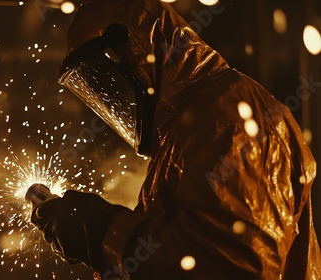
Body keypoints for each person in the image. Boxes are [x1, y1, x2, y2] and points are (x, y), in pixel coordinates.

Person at [31, 0, 321, 279]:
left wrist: (103, 232)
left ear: (134, 53)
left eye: (107, 82)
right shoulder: (184, 130)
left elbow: (232, 266)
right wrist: (97, 240)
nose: (111, 99)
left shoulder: (227, 118)